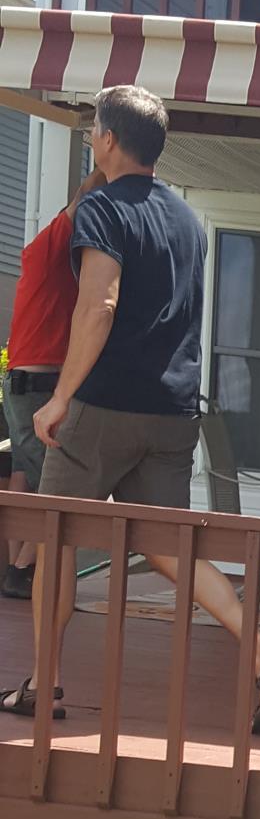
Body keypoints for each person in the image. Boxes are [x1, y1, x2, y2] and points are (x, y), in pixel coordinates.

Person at [0, 85, 260, 733]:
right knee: (170, 546)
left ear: (109, 140)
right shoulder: (188, 220)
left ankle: (43, 685)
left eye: (93, 131)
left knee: (55, 535)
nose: (90, 138)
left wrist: (61, 398)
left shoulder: (104, 209)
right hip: (173, 413)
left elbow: (99, 306)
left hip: (104, 407)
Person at [2, 163, 103, 597]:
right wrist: (107, 164)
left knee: (26, 473)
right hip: (36, 387)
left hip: (26, 384)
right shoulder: (49, 248)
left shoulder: (57, 265)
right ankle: (24, 570)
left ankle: (15, 568)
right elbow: (80, 200)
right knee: (58, 483)